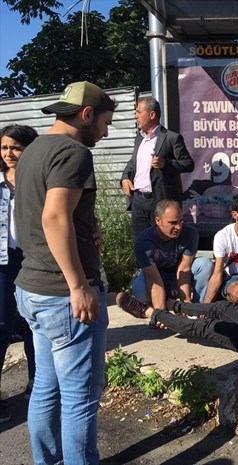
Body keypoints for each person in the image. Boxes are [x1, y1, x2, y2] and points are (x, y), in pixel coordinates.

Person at [14, 81, 115, 465]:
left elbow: (45, 215)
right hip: (62, 294)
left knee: (45, 387)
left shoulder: (35, 148)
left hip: (32, 287)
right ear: (86, 114)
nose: (106, 133)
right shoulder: (74, 152)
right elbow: (53, 217)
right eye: (105, 122)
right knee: (79, 400)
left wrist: (86, 231)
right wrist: (78, 284)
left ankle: (48, 462)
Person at [0, 125, 38, 423]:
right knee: (2, 326)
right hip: (2, 263)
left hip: (32, 259)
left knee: (32, 325)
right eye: (4, 148)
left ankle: (36, 382)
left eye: (15, 147)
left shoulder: (37, 179)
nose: (9, 154)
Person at [120, 96, 194, 239]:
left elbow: (188, 164)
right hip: (138, 201)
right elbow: (132, 162)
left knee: (162, 242)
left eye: (138, 112)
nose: (135, 116)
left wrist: (166, 163)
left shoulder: (172, 138)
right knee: (139, 243)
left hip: (161, 201)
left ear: (152, 114)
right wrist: (125, 178)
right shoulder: (139, 138)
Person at [132, 199, 213, 311]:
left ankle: (197, 307)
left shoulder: (190, 233)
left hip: (179, 276)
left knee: (205, 264)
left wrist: (186, 304)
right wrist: (160, 313)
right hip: (157, 276)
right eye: (173, 223)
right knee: (139, 288)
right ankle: (160, 307)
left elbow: (184, 268)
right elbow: (153, 278)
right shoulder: (143, 242)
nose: (178, 227)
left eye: (180, 221)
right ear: (158, 221)